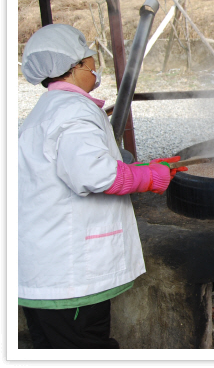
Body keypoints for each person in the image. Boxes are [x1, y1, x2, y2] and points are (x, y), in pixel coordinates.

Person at [18, 24, 186, 349]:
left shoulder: (47, 110)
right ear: (73, 67)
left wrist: (144, 168)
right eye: (89, 61)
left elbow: (82, 165)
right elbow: (96, 175)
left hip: (47, 272)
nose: (95, 67)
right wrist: (151, 178)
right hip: (69, 277)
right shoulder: (72, 111)